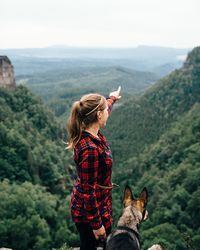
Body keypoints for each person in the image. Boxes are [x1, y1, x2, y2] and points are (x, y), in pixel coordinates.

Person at [67, 86, 121, 250]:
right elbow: (87, 192)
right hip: (89, 214)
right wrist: (97, 226)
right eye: (104, 110)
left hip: (100, 206)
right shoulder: (90, 149)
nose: (107, 113)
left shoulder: (91, 131)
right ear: (98, 115)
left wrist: (111, 99)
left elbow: (106, 110)